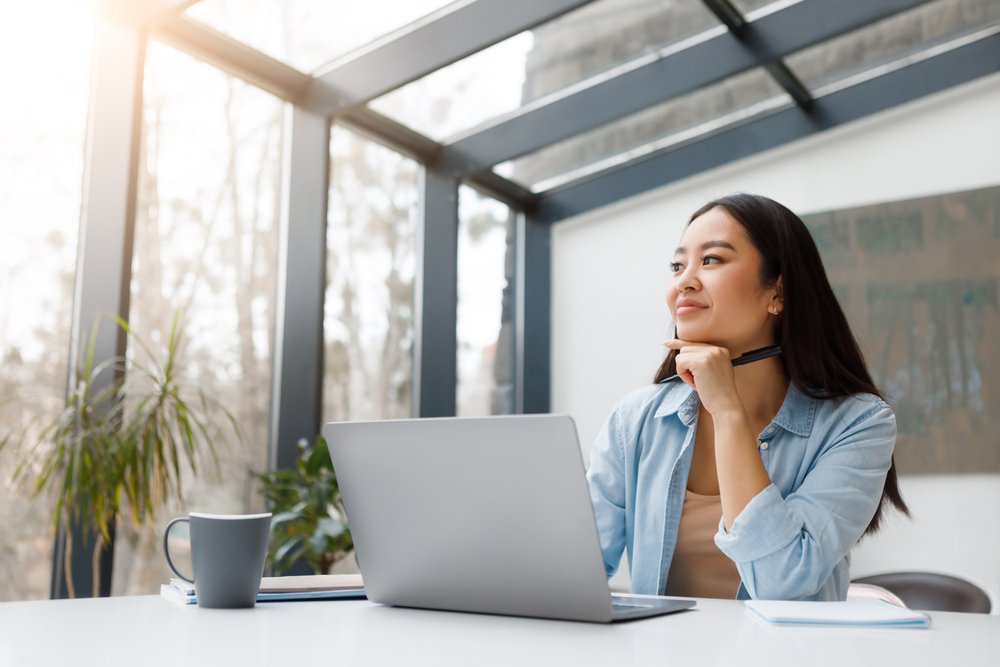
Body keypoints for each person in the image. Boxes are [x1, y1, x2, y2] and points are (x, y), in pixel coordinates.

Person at [586, 193, 908, 601]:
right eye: (677, 265)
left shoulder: (859, 423)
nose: (685, 280)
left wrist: (727, 412)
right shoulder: (633, 419)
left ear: (778, 291)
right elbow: (574, 569)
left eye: (712, 260)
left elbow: (782, 581)